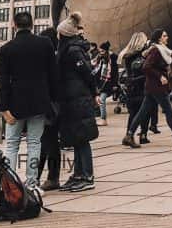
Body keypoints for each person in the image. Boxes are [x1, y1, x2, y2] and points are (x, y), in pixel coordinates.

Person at [0, 11, 57, 185]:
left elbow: (4, 81)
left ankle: (10, 183)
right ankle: (32, 182)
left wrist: (3, 107)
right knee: (34, 143)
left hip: (15, 103)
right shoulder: (45, 44)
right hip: (39, 102)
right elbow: (53, 75)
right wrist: (52, 100)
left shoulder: (6, 49)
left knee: (12, 144)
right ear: (32, 25)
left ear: (14, 25)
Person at [123, 29, 172, 148]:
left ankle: (129, 136)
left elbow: (170, 58)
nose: (167, 37)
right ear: (159, 38)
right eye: (165, 36)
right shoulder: (156, 50)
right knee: (168, 111)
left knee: (142, 112)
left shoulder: (162, 50)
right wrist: (160, 76)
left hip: (152, 86)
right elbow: (146, 67)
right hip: (156, 86)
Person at [55, 12, 99, 192]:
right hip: (71, 99)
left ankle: (87, 176)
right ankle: (79, 174)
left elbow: (87, 73)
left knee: (82, 138)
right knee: (76, 138)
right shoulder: (68, 50)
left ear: (64, 34)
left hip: (78, 99)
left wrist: (93, 93)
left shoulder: (73, 51)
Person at [36, 28, 62, 191]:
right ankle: (41, 176)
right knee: (45, 143)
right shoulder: (54, 58)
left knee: (48, 142)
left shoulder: (51, 60)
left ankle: (52, 177)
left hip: (50, 107)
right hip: (53, 106)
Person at [119, 32, 150, 144]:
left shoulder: (127, 55)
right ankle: (143, 135)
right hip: (141, 86)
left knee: (133, 113)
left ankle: (129, 134)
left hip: (130, 87)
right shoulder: (141, 55)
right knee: (145, 111)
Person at [92, 41, 118, 126]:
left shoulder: (111, 59)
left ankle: (103, 119)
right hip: (100, 83)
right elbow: (95, 69)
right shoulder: (100, 58)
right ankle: (102, 118)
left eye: (102, 51)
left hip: (108, 83)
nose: (101, 53)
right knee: (99, 100)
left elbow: (115, 72)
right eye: (100, 51)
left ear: (106, 51)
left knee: (102, 100)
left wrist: (114, 84)